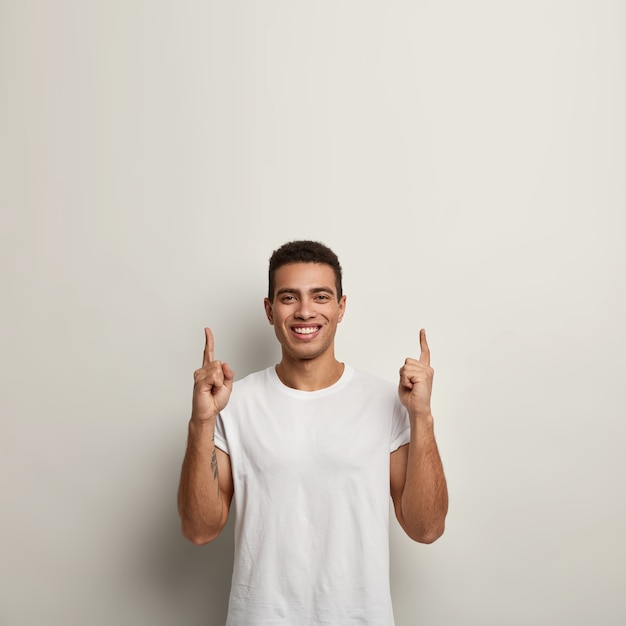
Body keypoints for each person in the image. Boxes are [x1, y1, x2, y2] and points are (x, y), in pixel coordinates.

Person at [177, 240, 448, 625]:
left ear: (341, 307)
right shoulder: (233, 404)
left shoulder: (387, 401)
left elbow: (427, 528)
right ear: (270, 311)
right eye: (289, 297)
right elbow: (199, 530)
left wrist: (422, 417)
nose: (305, 310)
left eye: (320, 296)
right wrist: (200, 421)